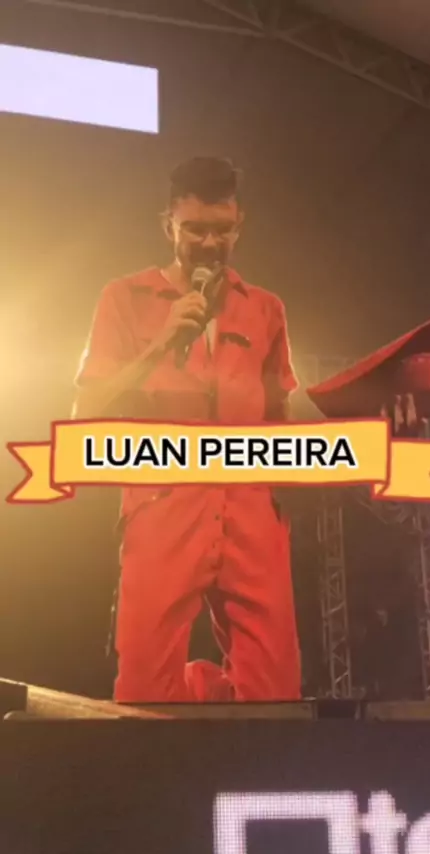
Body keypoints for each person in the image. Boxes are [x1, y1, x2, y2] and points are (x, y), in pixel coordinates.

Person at [72, 156, 302, 703]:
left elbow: (287, 421)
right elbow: (85, 412)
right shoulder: (124, 298)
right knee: (146, 691)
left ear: (239, 227)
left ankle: (211, 703)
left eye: (222, 230)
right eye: (194, 229)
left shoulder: (266, 309)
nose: (209, 243)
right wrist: (158, 347)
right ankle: (197, 699)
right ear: (168, 225)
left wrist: (382, 410)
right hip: (162, 504)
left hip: (252, 509)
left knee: (275, 694)